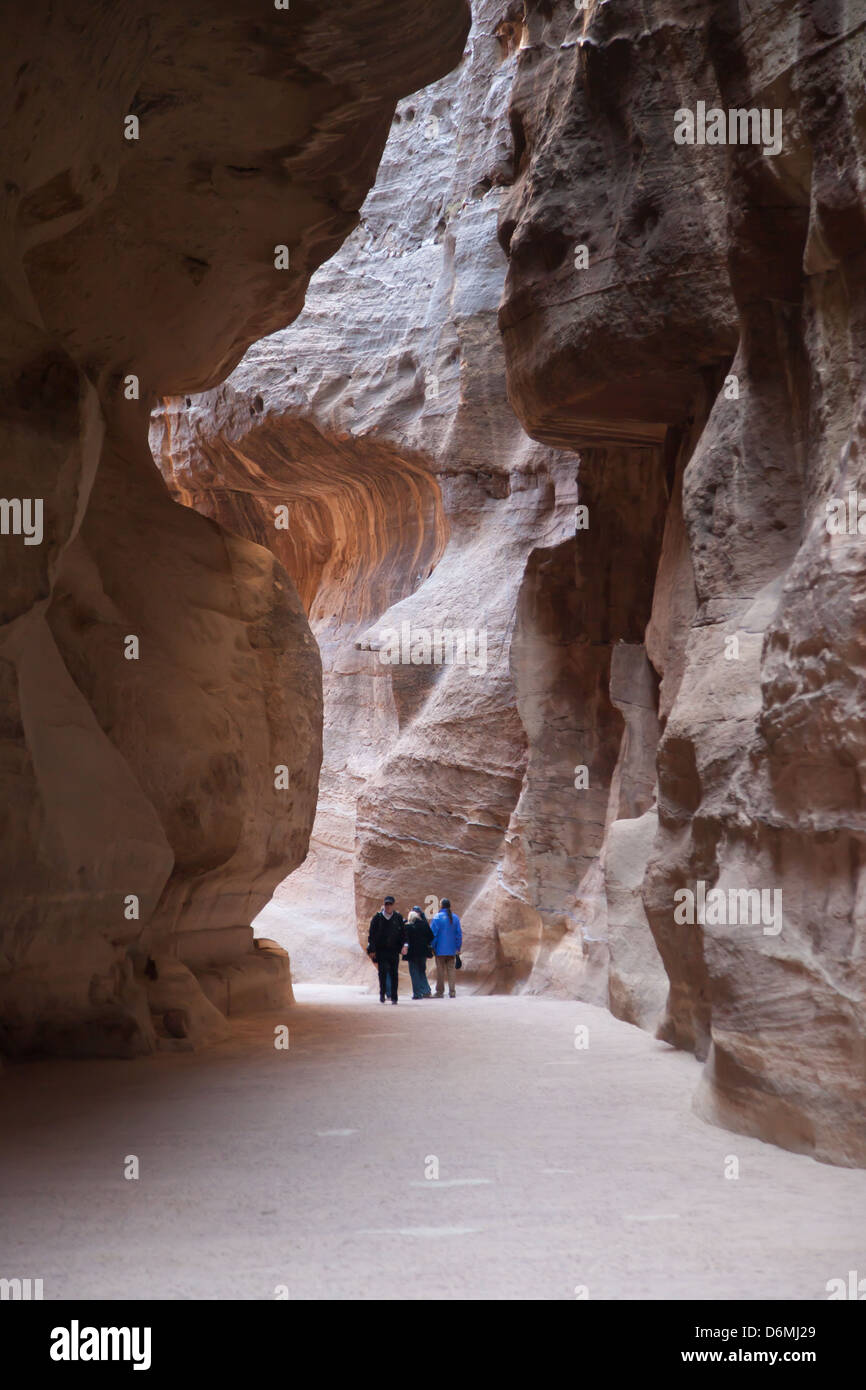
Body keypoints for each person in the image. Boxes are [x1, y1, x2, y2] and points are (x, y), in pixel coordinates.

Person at [367, 895, 406, 1004]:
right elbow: (372, 935)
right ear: (384, 905)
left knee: (394, 973)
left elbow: (403, 934)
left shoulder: (398, 918)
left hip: (394, 950)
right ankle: (382, 994)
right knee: (382, 973)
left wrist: (405, 945)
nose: (388, 906)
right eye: (386, 904)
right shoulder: (377, 918)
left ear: (393, 905)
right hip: (381, 950)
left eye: (390, 904)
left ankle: (394, 997)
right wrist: (372, 950)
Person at [430, 897, 462, 998]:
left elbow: (433, 934)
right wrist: (458, 948)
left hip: (440, 950)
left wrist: (432, 946)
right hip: (452, 949)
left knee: (440, 971)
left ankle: (440, 992)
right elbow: (459, 935)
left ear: (441, 905)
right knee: (451, 971)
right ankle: (452, 992)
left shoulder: (437, 917)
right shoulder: (455, 918)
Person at [404, 906, 434, 999]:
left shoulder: (408, 927)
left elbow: (404, 939)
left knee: (414, 973)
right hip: (423, 953)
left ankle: (417, 993)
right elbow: (431, 937)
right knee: (421, 971)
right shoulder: (424, 924)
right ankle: (426, 991)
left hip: (412, 953)